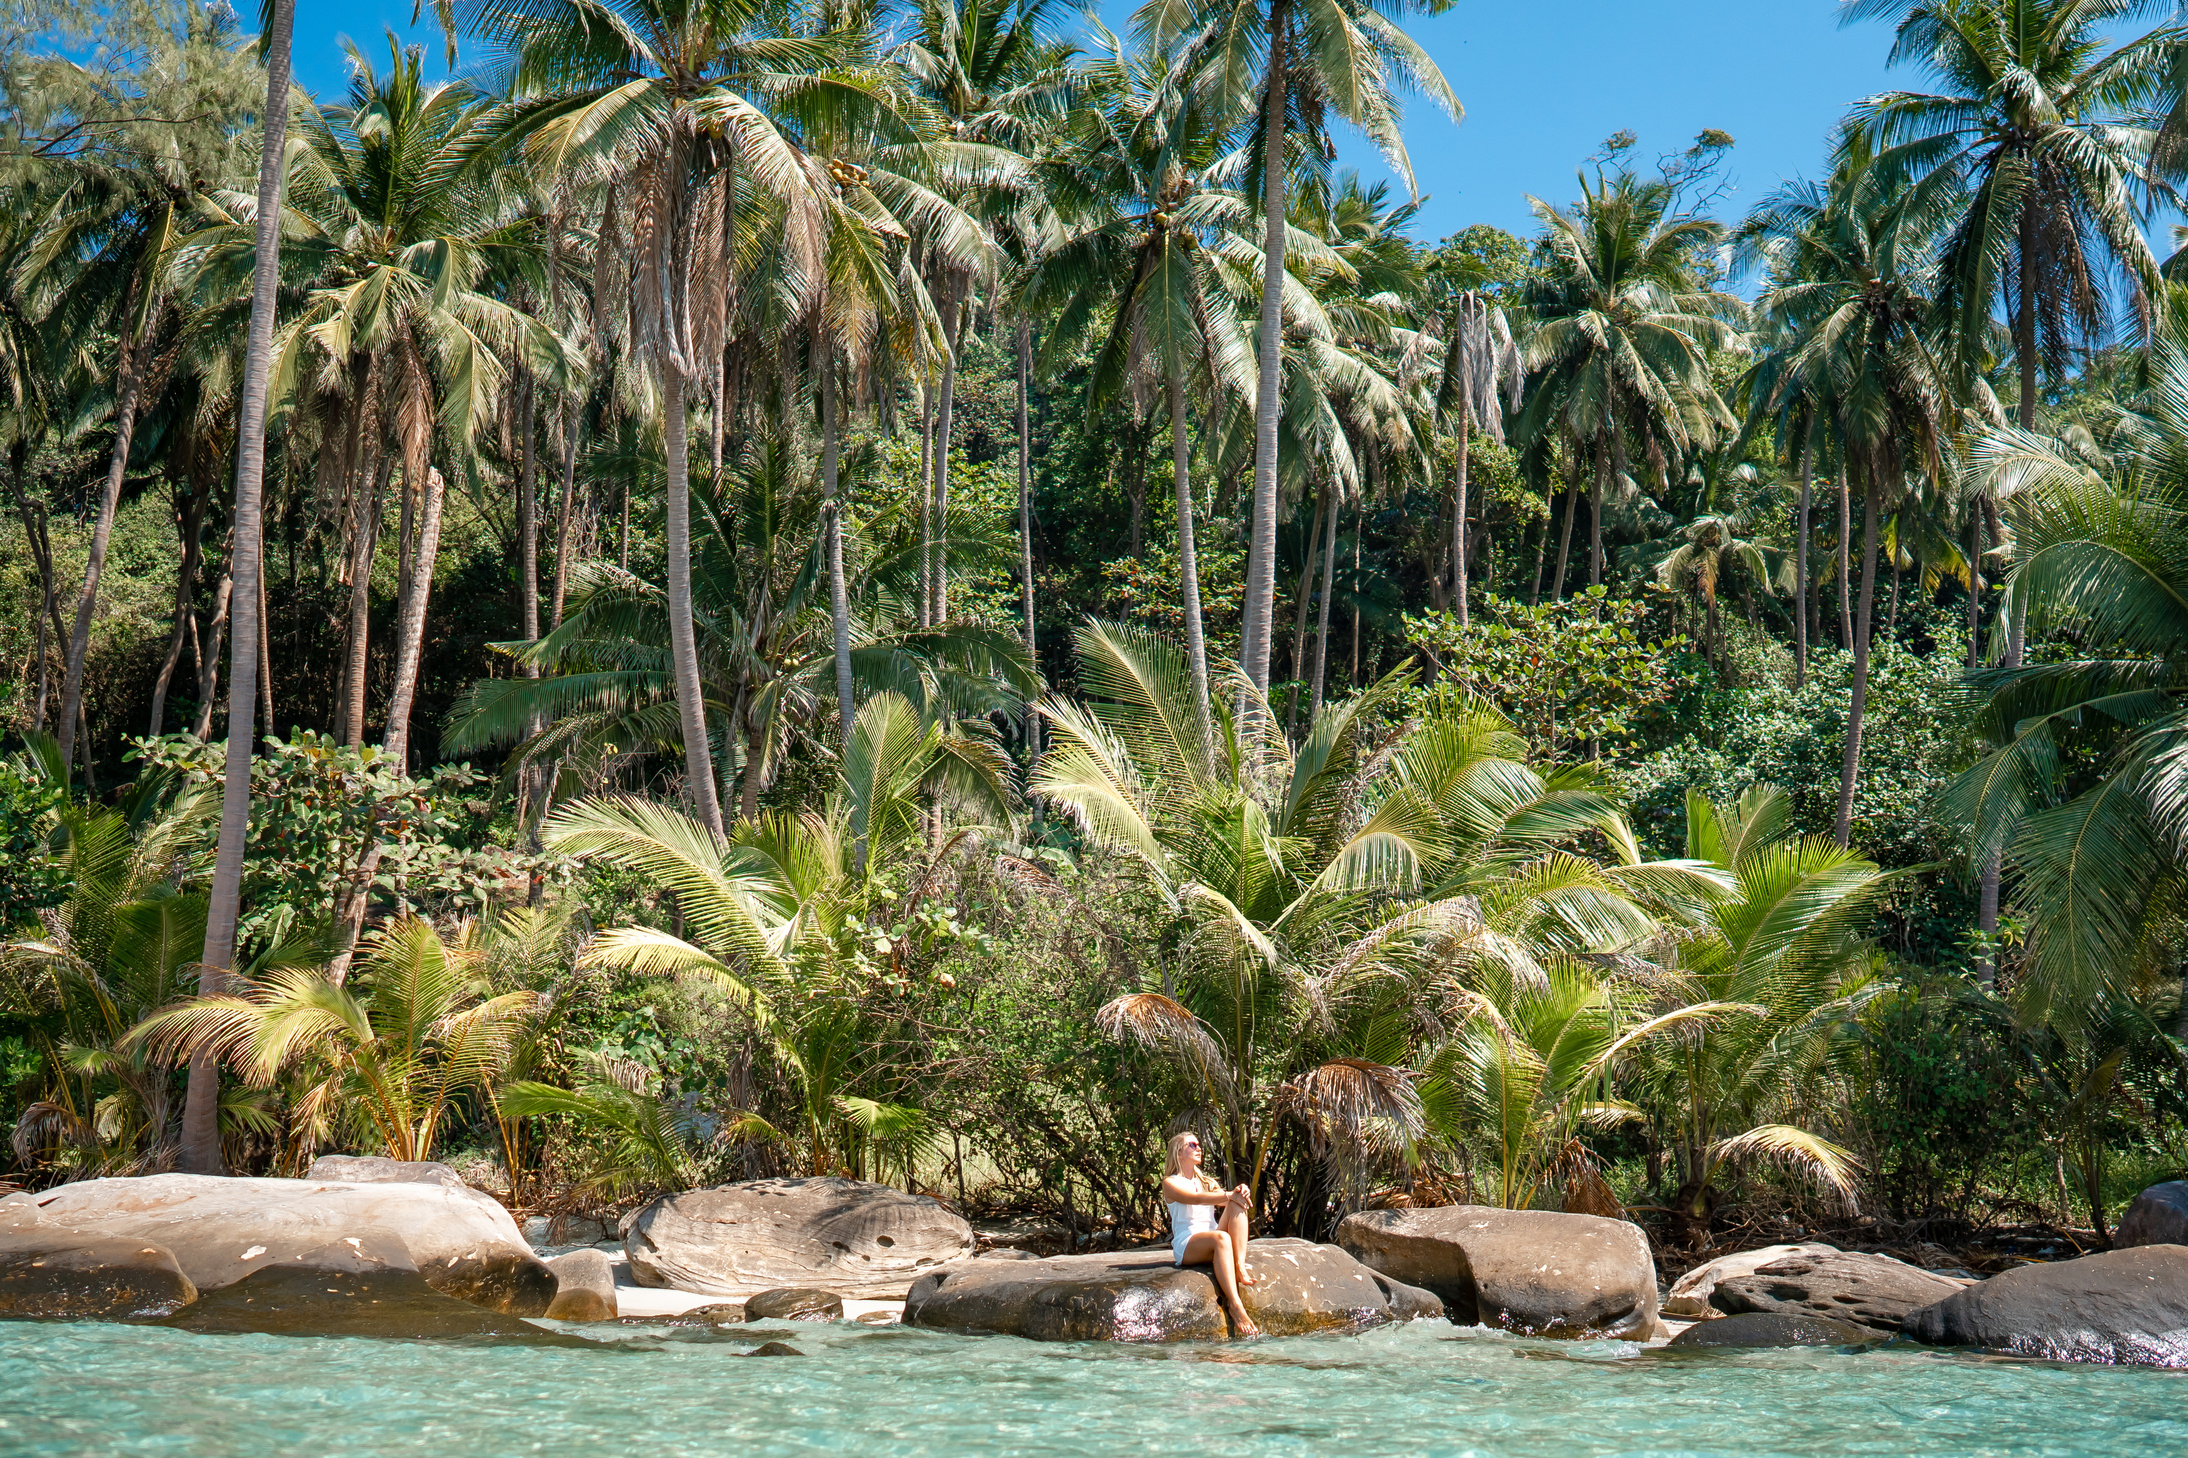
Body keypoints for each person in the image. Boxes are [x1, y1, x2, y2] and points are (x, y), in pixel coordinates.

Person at [1161, 1129, 1258, 1336]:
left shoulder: (1205, 1182)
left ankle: (1239, 1266)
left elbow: (1225, 1199)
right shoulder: (1170, 1183)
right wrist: (1228, 1194)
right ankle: (1235, 1304)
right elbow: (1195, 1199)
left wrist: (1238, 1192)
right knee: (1221, 1237)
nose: (1198, 1148)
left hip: (1212, 1237)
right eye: (1192, 1145)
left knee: (1238, 1204)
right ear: (1179, 1153)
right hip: (1188, 1243)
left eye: (1199, 1144)